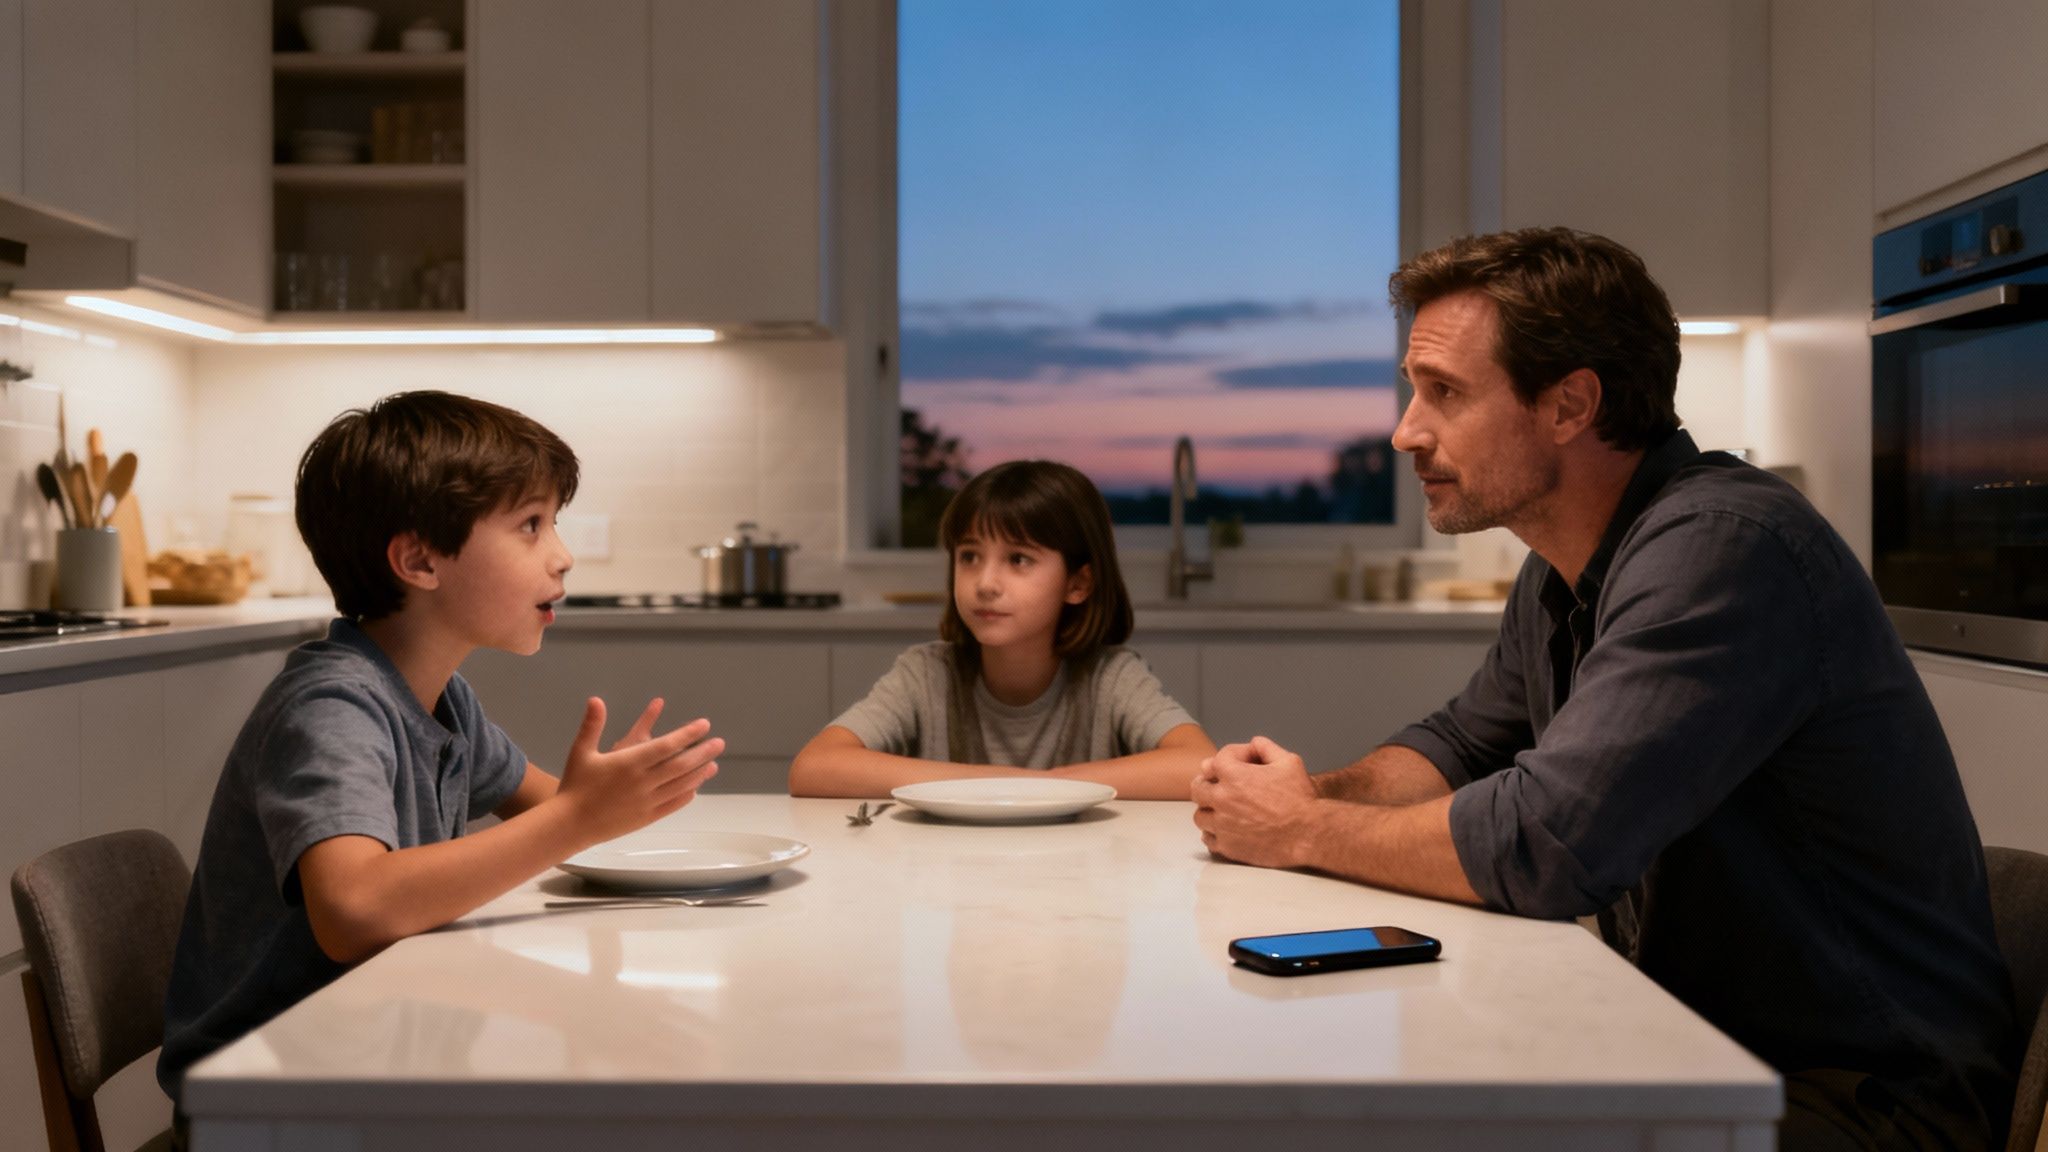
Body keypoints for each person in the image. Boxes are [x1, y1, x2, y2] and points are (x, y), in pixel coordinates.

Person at [1191, 228, 2017, 1151]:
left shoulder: (1725, 547)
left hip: (1861, 1101)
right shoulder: (1564, 563)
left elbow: (1549, 844)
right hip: (1704, 1052)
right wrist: (1304, 795)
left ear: (1569, 405)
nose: (1406, 430)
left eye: (1445, 392)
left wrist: (1303, 829)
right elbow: (1461, 746)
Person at [158, 391, 725, 1111]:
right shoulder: (330, 707)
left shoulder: (440, 699)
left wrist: (608, 800)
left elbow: (556, 813)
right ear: (420, 560)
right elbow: (354, 908)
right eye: (531, 525)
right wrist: (581, 816)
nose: (563, 556)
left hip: (383, 1061)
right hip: (270, 1103)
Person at [789, 459, 1213, 799]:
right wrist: (1004, 784)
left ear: (1078, 584)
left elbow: (1197, 765)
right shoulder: (927, 673)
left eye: (1018, 559)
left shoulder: (1111, 677)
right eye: (969, 557)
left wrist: (1040, 787)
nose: (986, 584)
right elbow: (814, 767)